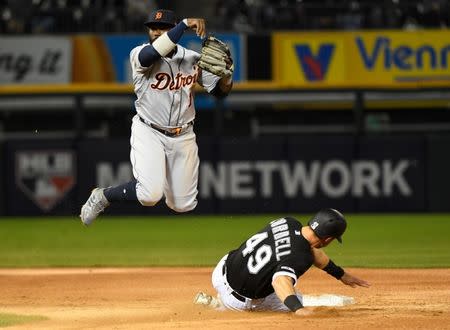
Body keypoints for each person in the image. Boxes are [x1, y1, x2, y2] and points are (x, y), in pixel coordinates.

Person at [80, 9, 233, 225]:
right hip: (149, 131)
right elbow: (150, 55)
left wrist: (226, 77)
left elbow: (219, 92)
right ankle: (103, 196)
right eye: (153, 27)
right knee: (149, 195)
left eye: (162, 27)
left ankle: (170, 190)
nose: (156, 31)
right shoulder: (139, 54)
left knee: (183, 204)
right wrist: (185, 24)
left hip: (184, 135)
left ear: (171, 30)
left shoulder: (192, 59)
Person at [194, 208, 370, 314]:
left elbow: (309, 249)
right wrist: (298, 309)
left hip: (222, 269)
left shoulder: (289, 222)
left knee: (276, 269)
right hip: (239, 301)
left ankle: (220, 301)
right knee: (295, 298)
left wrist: (340, 274)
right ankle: (218, 306)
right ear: (328, 239)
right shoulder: (301, 256)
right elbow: (280, 281)